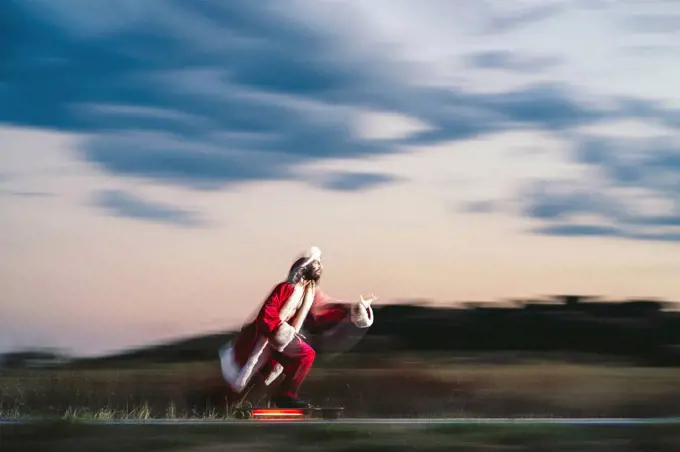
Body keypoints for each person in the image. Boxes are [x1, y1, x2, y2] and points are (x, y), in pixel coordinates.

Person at [218, 246, 376, 409]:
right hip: (267, 337)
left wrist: (354, 310)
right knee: (252, 373)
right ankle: (231, 404)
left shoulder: (309, 293)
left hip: (281, 340)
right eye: (316, 265)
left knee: (298, 359)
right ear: (305, 269)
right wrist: (279, 331)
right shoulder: (285, 288)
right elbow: (267, 313)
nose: (320, 267)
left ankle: (283, 396)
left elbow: (324, 309)